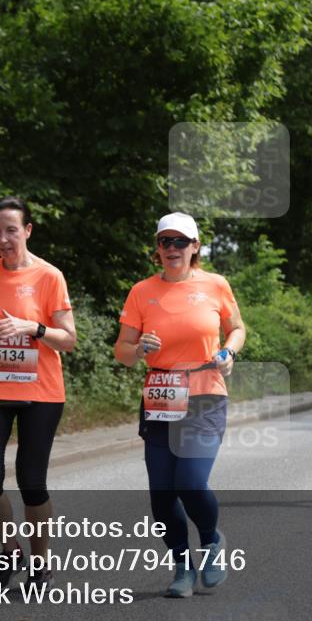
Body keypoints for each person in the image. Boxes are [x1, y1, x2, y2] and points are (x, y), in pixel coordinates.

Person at [114, 212, 245, 598]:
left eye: (180, 242)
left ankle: (210, 539)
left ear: (195, 246)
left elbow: (237, 327)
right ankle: (183, 567)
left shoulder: (215, 285)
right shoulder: (141, 291)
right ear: (157, 248)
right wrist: (137, 349)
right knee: (161, 496)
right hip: (160, 396)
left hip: (205, 393)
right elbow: (122, 351)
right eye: (165, 242)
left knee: (190, 482)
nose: (172, 249)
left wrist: (229, 350)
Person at [0, 196, 77, 592]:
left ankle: (41, 562)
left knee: (32, 482)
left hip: (40, 392)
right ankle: (10, 550)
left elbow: (69, 340)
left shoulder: (49, 277)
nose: (3, 238)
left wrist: (34, 328)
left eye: (11, 229)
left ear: (27, 230)